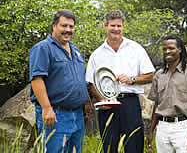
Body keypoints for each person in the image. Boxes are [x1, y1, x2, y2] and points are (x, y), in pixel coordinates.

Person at [86, 9, 155, 153]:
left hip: (130, 103)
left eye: (119, 26)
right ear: (105, 26)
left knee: (134, 147)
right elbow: (91, 83)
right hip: (106, 107)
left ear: (123, 26)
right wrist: (101, 99)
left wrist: (132, 79)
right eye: (112, 25)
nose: (116, 29)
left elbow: (150, 75)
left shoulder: (136, 49)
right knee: (110, 148)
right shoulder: (96, 54)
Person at [29, 9, 89, 153]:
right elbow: (37, 79)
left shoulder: (76, 50)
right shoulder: (42, 48)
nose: (68, 30)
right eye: (64, 26)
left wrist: (87, 102)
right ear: (54, 26)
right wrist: (47, 108)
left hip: (78, 115)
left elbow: (79, 79)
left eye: (71, 26)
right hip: (56, 115)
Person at [146, 34, 187, 153]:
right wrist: (150, 131)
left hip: (182, 128)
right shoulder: (159, 75)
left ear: (179, 50)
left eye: (171, 48)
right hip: (162, 128)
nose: (167, 51)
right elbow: (157, 106)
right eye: (164, 49)